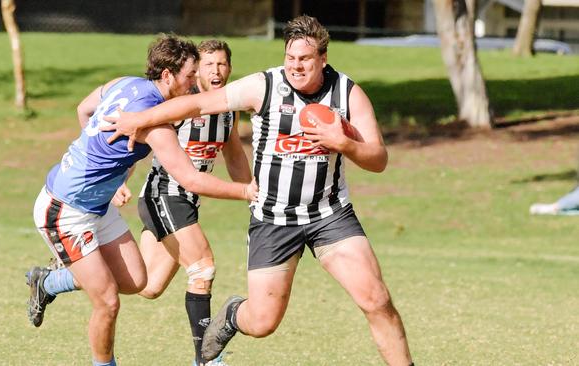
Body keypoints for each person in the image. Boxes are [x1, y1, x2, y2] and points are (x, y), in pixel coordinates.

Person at [102, 15, 414, 366]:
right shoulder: (264, 86)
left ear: (323, 59)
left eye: (305, 59)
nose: (296, 66)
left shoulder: (347, 93)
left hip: (329, 215)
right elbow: (198, 104)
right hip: (273, 220)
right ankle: (234, 314)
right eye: (290, 57)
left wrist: (344, 143)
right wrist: (139, 119)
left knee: (376, 300)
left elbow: (378, 159)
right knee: (263, 323)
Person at [25, 34, 257, 366]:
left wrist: (106, 166)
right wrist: (249, 191)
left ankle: (48, 280)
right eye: (191, 75)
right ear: (168, 76)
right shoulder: (157, 126)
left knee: (139, 282)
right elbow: (190, 178)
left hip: (97, 208)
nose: (195, 83)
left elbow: (86, 109)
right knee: (108, 301)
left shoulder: (126, 84)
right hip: (64, 210)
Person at [120, 39, 250, 366]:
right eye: (208, 65)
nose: (216, 70)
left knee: (147, 285)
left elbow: (233, 156)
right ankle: (207, 359)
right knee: (203, 267)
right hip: (164, 194)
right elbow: (140, 139)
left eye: (222, 64)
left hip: (186, 202)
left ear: (229, 69)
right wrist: (119, 183)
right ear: (196, 72)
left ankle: (54, 279)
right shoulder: (179, 104)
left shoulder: (228, 110)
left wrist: (253, 194)